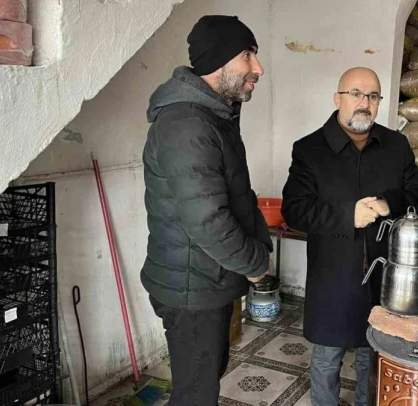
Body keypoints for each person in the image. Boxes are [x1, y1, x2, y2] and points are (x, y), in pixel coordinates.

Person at [140, 15, 273, 406]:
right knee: (196, 395)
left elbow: (234, 197)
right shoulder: (187, 125)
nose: (258, 68)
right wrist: (255, 263)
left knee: (203, 382)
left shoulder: (212, 116)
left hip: (204, 280)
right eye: (248, 55)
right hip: (192, 289)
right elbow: (208, 221)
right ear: (220, 60)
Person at [281, 67, 418, 406]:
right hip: (333, 274)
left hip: (383, 275)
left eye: (373, 96)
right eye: (355, 94)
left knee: (372, 355)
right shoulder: (310, 150)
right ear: (337, 99)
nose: (364, 102)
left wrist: (388, 203)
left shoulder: (395, 145)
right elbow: (295, 210)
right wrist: (348, 215)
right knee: (327, 358)